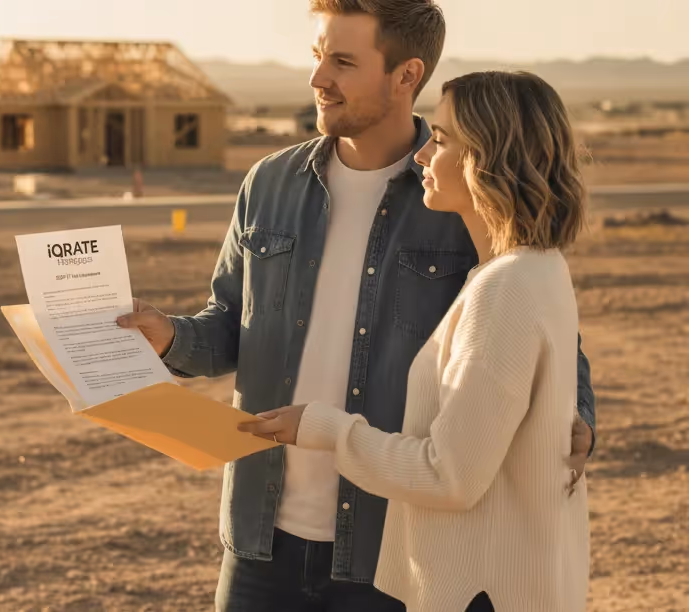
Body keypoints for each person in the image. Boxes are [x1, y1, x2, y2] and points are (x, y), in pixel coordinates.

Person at [117, 1, 596, 609]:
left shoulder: (461, 193)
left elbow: (540, 339)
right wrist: (170, 338)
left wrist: (574, 418)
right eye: (318, 57)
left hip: (390, 548)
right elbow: (230, 327)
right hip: (261, 539)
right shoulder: (268, 185)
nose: (319, 79)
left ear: (406, 76)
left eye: (343, 61)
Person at [239, 70, 591, 612]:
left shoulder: (505, 289)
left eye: (444, 139)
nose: (424, 155)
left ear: (488, 160)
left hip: (484, 592)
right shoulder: (539, 270)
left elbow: (447, 476)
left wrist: (325, 427)